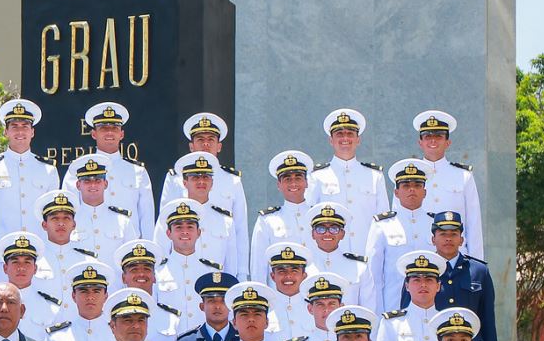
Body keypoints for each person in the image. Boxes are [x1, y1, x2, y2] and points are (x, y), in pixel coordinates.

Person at [0, 99, 60, 242]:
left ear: (32, 132)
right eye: (14, 126)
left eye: (25, 126)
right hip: (0, 252)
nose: (20, 131)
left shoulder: (48, 169)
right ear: (6, 132)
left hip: (39, 251)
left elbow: (54, 214)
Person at [431, 212, 499, 341]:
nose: (448, 239)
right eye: (443, 234)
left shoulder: (479, 271)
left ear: (461, 239)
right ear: (433, 239)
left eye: (454, 234)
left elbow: (488, 320)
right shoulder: (422, 273)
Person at [411, 110, 484, 258]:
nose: (433, 141)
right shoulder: (408, 178)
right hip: (421, 259)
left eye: (438, 136)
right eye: (428, 136)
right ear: (420, 142)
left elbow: (473, 224)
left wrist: (476, 266)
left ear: (448, 142)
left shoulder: (463, 176)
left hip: (457, 258)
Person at [365, 160, 434, 311]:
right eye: (406, 186)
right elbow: (373, 277)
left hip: (431, 309)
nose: (412, 190)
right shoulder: (382, 225)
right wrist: (378, 317)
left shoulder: (435, 225)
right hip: (393, 307)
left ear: (425, 192)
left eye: (417, 186)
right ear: (396, 193)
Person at [160, 153, 245, 274]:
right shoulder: (171, 216)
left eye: (205, 177)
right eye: (195, 178)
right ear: (184, 183)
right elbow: (161, 255)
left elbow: (231, 264)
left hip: (214, 287)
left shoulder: (225, 220)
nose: (201, 182)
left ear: (212, 183)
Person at [82, 101, 157, 234]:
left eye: (114, 128)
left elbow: (146, 217)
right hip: (91, 245)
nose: (109, 132)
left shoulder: (138, 171)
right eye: (104, 128)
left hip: (130, 247)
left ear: (121, 134)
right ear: (94, 134)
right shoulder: (79, 169)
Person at [162, 113, 247, 224]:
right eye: (200, 140)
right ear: (191, 146)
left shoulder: (232, 180)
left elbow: (240, 225)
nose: (206, 144)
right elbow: (165, 219)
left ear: (219, 146)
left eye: (211, 139)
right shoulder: (175, 178)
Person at [251, 151, 320, 283]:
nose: (293, 183)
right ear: (279, 185)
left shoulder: (318, 216)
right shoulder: (267, 220)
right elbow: (259, 266)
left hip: (317, 293)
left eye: (298, 178)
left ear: (306, 182)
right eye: (287, 179)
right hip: (280, 294)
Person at [61, 153, 138, 266]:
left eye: (98, 180)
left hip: (115, 283)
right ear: (78, 185)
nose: (93, 185)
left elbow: (133, 260)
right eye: (87, 181)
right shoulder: (68, 221)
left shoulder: (123, 221)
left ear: (105, 184)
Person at [310, 109, 388, 222]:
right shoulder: (316, 176)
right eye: (339, 134)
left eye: (350, 134)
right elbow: (310, 217)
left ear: (358, 140)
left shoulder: (375, 176)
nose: (345, 138)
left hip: (367, 240)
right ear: (331, 140)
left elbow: (383, 219)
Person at [155, 200, 222, 320]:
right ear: (168, 233)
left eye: (190, 227)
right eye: (179, 227)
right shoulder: (157, 271)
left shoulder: (211, 272)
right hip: (169, 337)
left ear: (199, 232)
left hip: (201, 338)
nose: (185, 231)